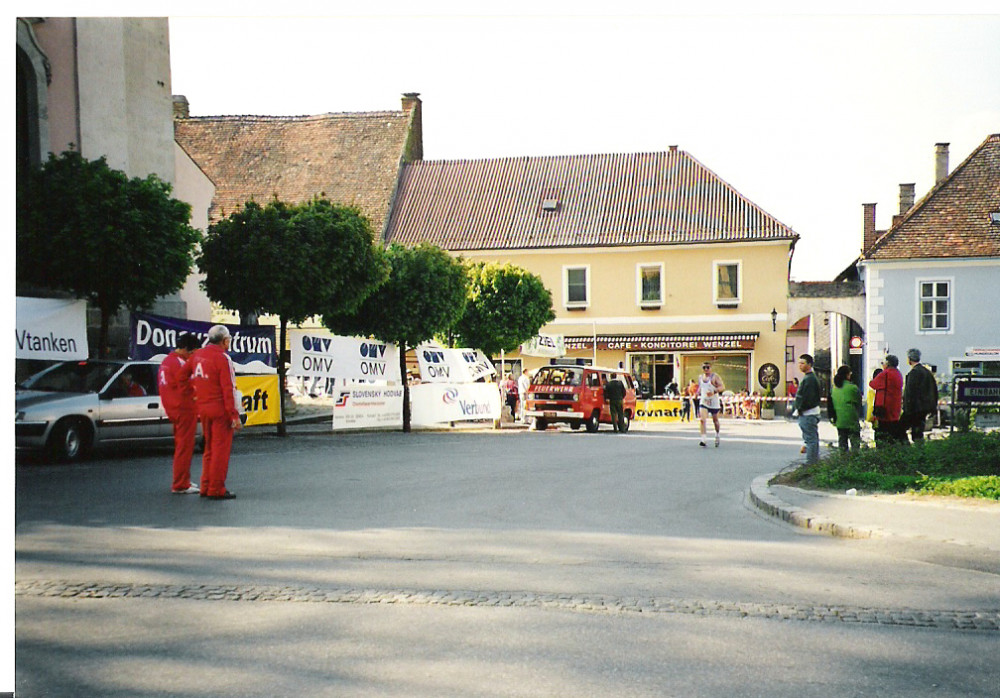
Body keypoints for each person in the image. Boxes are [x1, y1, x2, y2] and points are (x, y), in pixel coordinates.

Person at [181, 324, 242, 500]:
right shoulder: (223, 358)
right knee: (220, 451)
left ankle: (206, 485)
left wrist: (194, 394)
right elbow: (228, 389)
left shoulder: (198, 355)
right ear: (224, 341)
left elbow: (182, 375)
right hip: (220, 409)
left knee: (209, 449)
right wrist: (234, 415)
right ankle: (216, 488)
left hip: (204, 408)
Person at [158, 333, 202, 494]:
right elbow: (188, 385)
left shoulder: (167, 361)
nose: (193, 356)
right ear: (184, 349)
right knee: (185, 446)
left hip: (173, 407)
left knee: (182, 445)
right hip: (184, 407)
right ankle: (180, 483)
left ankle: (183, 479)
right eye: (192, 352)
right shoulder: (179, 363)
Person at [903, 348, 938, 443]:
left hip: (914, 409)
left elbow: (910, 393)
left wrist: (906, 409)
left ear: (909, 359)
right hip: (924, 408)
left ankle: (912, 452)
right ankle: (920, 451)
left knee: (904, 431)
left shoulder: (913, 373)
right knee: (919, 432)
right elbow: (934, 391)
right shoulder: (927, 373)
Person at [869, 354, 904, 447]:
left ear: (887, 363)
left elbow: (873, 384)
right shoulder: (898, 374)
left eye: (883, 363)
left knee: (882, 436)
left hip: (884, 410)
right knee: (892, 436)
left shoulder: (886, 374)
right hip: (895, 409)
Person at [794, 354, 822, 464]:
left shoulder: (810, 379)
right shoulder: (808, 378)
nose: (800, 365)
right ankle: (812, 462)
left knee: (811, 440)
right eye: (799, 363)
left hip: (808, 413)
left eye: (802, 363)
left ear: (809, 364)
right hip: (807, 413)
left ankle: (811, 464)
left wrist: (800, 408)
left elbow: (808, 398)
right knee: (810, 439)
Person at [830, 365, 861, 452]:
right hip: (852, 421)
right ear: (848, 375)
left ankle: (843, 462)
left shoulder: (834, 389)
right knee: (855, 447)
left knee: (842, 446)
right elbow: (858, 403)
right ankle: (855, 463)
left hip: (839, 421)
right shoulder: (853, 388)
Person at [697, 362, 725, 447]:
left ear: (711, 368)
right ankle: (703, 439)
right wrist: (697, 393)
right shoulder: (700, 377)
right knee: (702, 419)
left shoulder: (714, 377)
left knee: (715, 420)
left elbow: (722, 387)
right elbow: (701, 387)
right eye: (704, 367)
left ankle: (717, 434)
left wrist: (714, 391)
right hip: (704, 401)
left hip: (713, 401)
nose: (706, 369)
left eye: (707, 367)